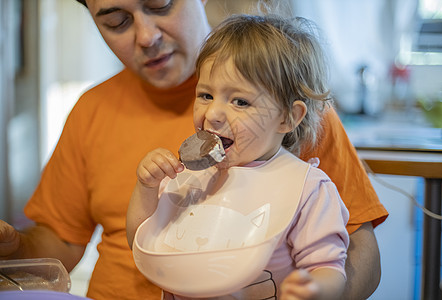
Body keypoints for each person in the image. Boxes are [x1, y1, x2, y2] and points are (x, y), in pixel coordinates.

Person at [0, 0, 388, 299]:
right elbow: (67, 242)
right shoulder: (98, 113)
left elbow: (352, 251)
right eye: (116, 21)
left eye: (160, 5)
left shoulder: (290, 107)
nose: (146, 36)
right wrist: (15, 245)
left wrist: (317, 290)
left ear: (289, 118)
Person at [126, 13, 350, 299]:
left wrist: (317, 289)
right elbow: (141, 242)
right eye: (205, 95)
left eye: (240, 101)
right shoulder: (183, 177)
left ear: (288, 118)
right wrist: (145, 187)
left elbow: (328, 266)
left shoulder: (307, 189)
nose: (213, 114)